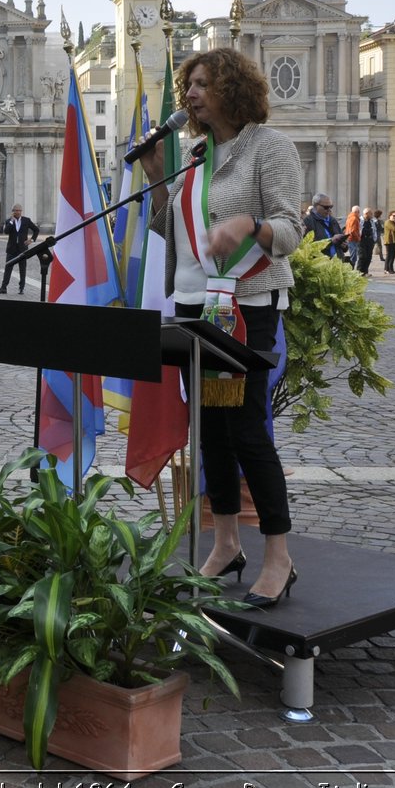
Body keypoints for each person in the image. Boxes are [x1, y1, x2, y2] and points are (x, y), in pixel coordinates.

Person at [136, 47, 301, 608]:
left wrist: (248, 225)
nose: (192, 95)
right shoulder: (198, 154)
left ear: (232, 88)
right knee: (210, 431)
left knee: (248, 430)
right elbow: (171, 230)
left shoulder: (267, 147)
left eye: (203, 84)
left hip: (246, 305)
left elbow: (290, 228)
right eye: (189, 85)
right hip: (192, 306)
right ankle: (226, 543)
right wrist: (159, 178)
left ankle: (278, 555)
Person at [0, 204, 39, 294]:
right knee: (8, 268)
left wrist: (32, 239)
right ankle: (3, 288)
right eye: (15, 210)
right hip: (11, 250)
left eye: (19, 210)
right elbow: (6, 231)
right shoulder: (9, 221)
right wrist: (11, 221)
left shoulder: (26, 220)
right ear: (13, 211)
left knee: (22, 269)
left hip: (22, 249)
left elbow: (36, 230)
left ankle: (21, 288)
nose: (17, 212)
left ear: (21, 211)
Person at [355, 208, 380, 276]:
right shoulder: (360, 220)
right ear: (366, 214)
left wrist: (374, 239)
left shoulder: (372, 221)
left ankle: (365, 271)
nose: (372, 215)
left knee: (369, 256)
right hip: (362, 240)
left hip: (370, 240)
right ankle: (359, 271)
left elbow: (374, 230)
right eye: (370, 213)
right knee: (362, 256)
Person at [381, 209, 395, 275]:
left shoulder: (394, 223)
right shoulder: (388, 222)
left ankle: (391, 269)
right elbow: (394, 229)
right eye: (394, 216)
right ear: (390, 216)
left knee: (393, 256)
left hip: (394, 241)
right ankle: (386, 269)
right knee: (389, 256)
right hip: (389, 241)